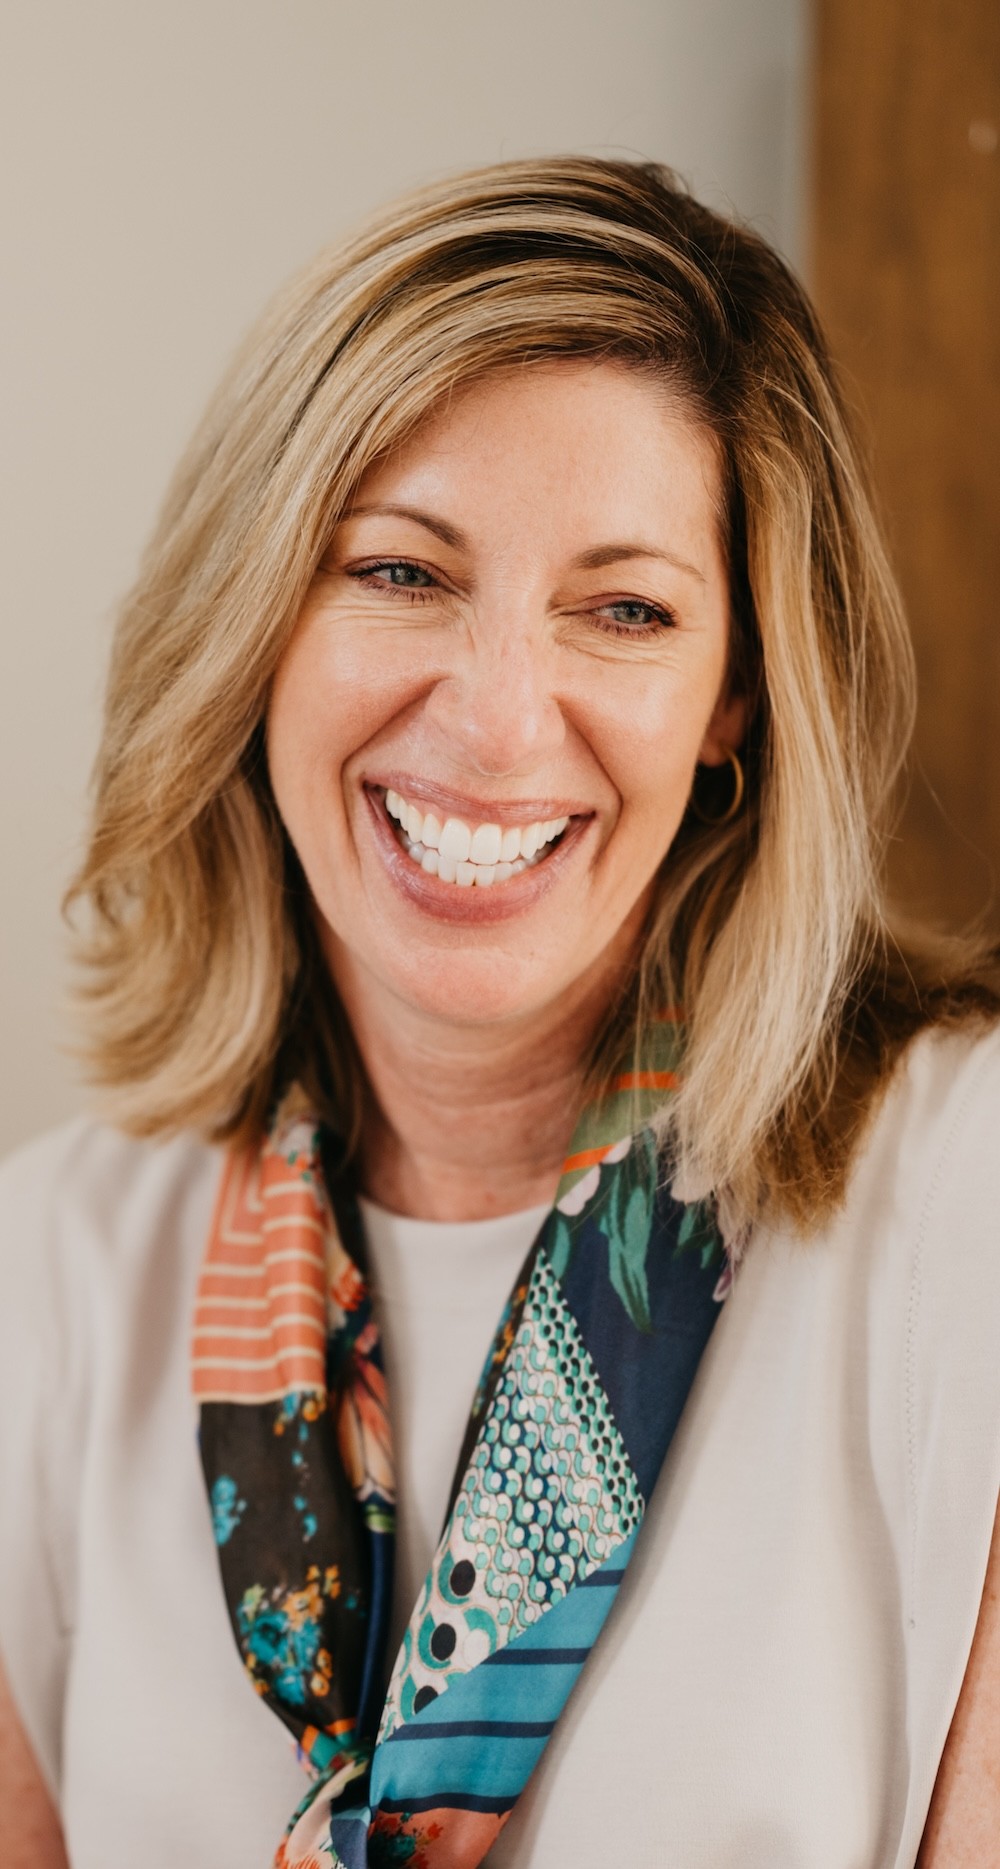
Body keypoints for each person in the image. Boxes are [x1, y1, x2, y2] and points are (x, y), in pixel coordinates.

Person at [0, 156, 998, 1869]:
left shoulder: (965, 1208)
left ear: (736, 697)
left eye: (626, 609)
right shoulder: (48, 1272)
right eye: (402, 572)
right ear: (256, 623)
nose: (496, 719)